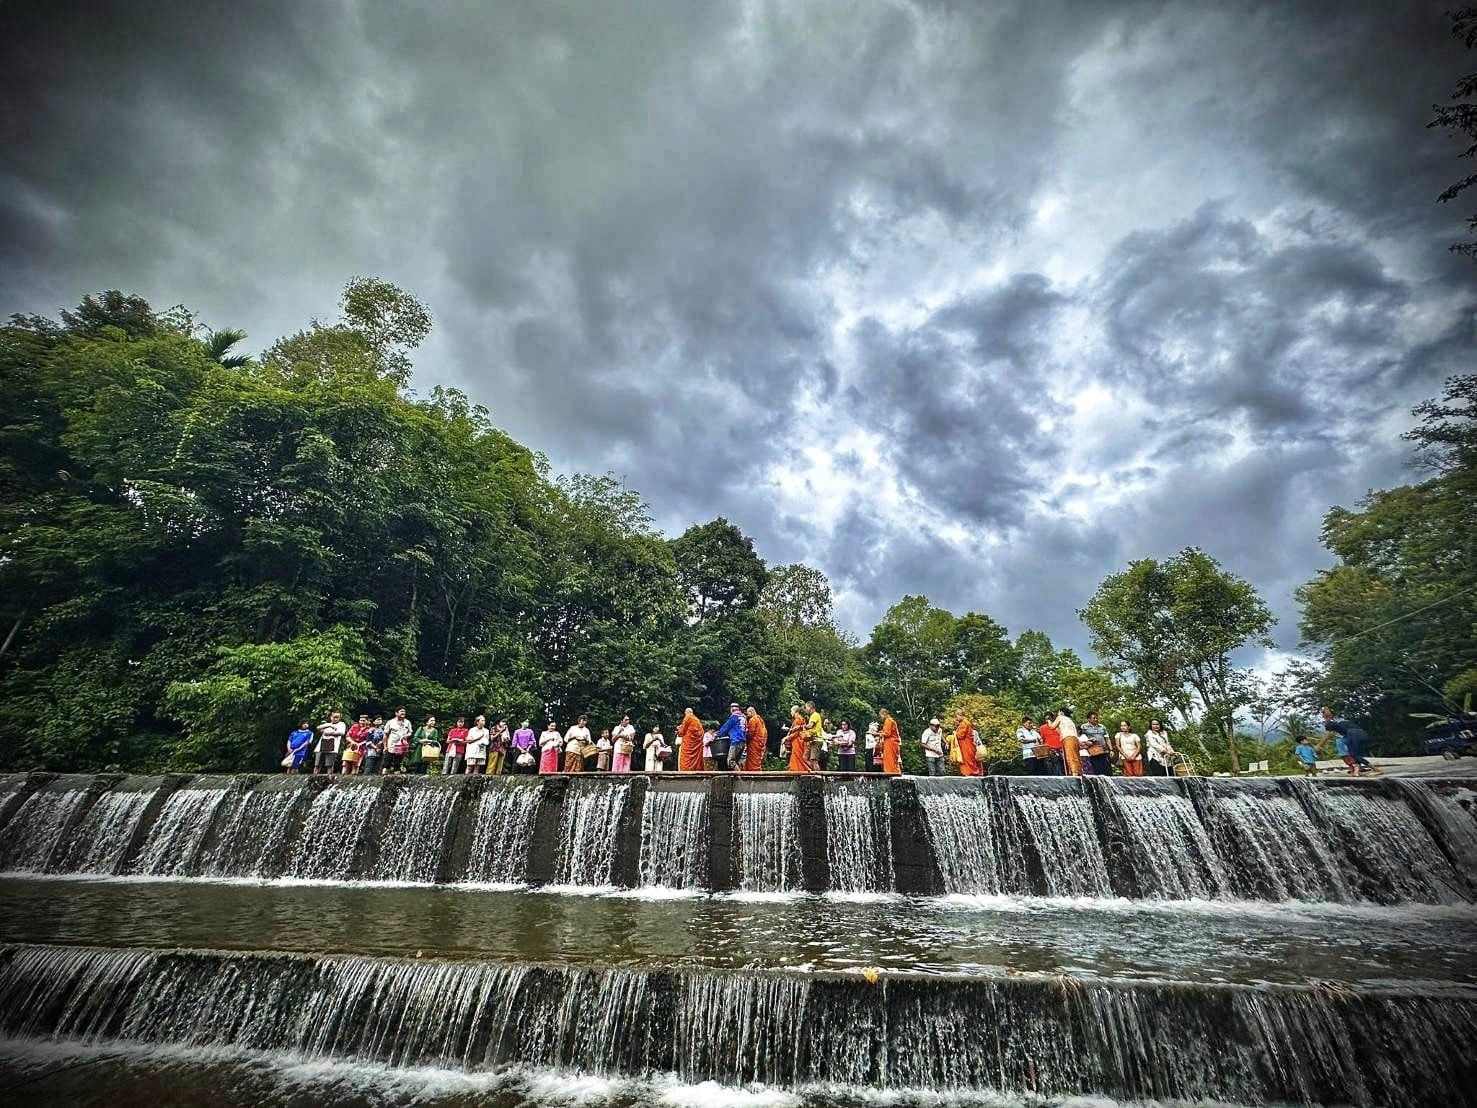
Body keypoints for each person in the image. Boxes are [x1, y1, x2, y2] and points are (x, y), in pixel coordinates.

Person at [1321, 707, 1378, 774]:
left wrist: (1319, 745)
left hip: (1352, 735)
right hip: (1360, 734)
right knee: (1355, 754)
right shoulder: (1341, 720)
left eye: (1323, 715)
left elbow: (1328, 735)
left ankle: (1375, 770)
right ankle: (1357, 771)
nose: (1323, 716)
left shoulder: (1331, 723)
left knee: (1354, 755)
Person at [717, 704, 747, 770]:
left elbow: (726, 727)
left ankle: (739, 775)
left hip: (736, 741)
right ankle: (737, 775)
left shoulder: (734, 717)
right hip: (743, 742)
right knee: (736, 761)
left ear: (732, 710)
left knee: (731, 761)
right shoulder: (743, 718)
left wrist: (717, 735)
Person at [383, 708, 413, 774]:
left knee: (398, 762)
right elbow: (385, 735)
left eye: (404, 711)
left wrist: (406, 736)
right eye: (401, 711)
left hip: (401, 746)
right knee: (387, 762)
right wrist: (385, 746)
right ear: (396, 713)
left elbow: (410, 732)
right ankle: (384, 776)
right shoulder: (390, 722)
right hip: (391, 745)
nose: (403, 713)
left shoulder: (407, 722)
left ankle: (396, 777)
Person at [1054, 708, 1081, 776]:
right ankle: (1077, 772)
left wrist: (1049, 721)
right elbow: (1059, 731)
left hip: (1068, 738)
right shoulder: (1069, 720)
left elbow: (1052, 727)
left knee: (1070, 756)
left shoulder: (1060, 717)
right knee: (1075, 756)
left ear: (1061, 712)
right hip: (1074, 738)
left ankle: (1074, 773)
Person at [954, 711, 981, 777]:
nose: (956, 718)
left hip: (966, 745)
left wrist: (954, 734)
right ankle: (969, 773)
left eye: (957, 716)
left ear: (961, 715)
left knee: (967, 760)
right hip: (966, 745)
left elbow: (960, 735)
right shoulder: (963, 723)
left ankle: (969, 773)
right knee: (968, 760)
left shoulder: (964, 723)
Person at [784, 707, 810, 773]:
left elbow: (796, 733)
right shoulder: (802, 719)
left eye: (791, 711)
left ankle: (798, 771)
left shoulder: (797, 720)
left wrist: (787, 738)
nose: (791, 713)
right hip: (801, 740)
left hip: (797, 741)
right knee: (800, 757)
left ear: (795, 711)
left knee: (797, 757)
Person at [743, 707, 768, 772]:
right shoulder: (760, 720)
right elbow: (765, 732)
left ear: (751, 712)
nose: (747, 715)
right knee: (757, 760)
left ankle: (753, 773)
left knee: (752, 760)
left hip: (754, 743)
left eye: (748, 713)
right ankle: (757, 771)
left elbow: (750, 732)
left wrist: (746, 740)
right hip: (760, 743)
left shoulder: (753, 720)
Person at [878, 708, 902, 775]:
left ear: (884, 714)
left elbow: (887, 734)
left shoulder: (888, 721)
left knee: (890, 760)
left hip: (890, 742)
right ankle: (895, 772)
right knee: (893, 760)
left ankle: (891, 773)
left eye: (881, 716)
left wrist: (877, 734)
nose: (881, 718)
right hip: (893, 742)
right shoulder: (892, 721)